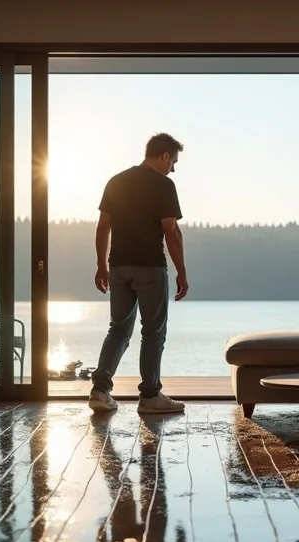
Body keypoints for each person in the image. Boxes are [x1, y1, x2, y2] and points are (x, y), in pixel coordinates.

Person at [88, 133, 189, 414]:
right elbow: (171, 230)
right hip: (150, 267)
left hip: (118, 267)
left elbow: (102, 226)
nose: (173, 168)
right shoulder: (164, 185)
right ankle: (150, 397)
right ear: (165, 156)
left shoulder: (116, 181)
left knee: (118, 330)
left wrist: (101, 265)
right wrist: (182, 271)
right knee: (154, 332)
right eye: (174, 162)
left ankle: (100, 391)